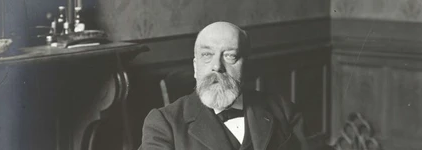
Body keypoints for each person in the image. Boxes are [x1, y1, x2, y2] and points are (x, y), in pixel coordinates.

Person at [138, 22, 321, 150]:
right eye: (207, 55)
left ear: (246, 67)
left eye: (230, 56)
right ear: (195, 67)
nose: (217, 66)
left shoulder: (282, 109)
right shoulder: (164, 123)